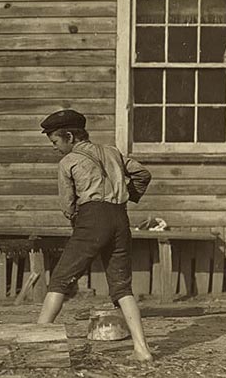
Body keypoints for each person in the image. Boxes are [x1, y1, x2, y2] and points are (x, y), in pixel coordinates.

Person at [37, 109, 154, 362]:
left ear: (69, 136)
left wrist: (78, 220)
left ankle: (34, 343)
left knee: (60, 280)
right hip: (120, 219)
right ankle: (142, 350)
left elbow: (67, 204)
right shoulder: (113, 152)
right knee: (122, 287)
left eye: (56, 142)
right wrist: (129, 193)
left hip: (91, 219)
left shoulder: (67, 162)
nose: (55, 148)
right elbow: (143, 173)